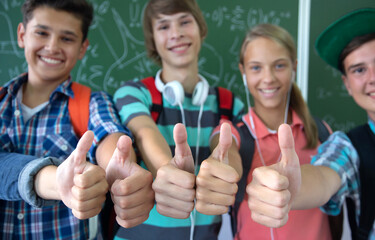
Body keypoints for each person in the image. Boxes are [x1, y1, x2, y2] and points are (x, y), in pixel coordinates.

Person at [0, 0, 153, 239]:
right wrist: (52, 179)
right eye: (42, 33)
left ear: (83, 48)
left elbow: (108, 134)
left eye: (67, 38)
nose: (52, 47)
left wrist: (121, 169)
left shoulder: (92, 102)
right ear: (22, 35)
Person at [113, 0, 244, 239]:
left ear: (201, 29)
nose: (176, 33)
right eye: (163, 26)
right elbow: (144, 132)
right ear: (153, 40)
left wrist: (227, 170)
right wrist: (167, 171)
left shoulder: (229, 103)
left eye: (185, 21)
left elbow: (229, 146)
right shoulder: (134, 93)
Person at [246, 8, 375, 240]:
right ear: (347, 84)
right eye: (359, 69)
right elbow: (325, 176)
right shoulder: (349, 148)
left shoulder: (319, 129)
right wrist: (291, 187)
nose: (373, 77)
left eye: (279, 65)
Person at [230, 23, 333, 240]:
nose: (268, 78)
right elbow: (223, 154)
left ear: (294, 67)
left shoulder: (321, 132)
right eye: (256, 67)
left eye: (279, 66)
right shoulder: (234, 135)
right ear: (243, 72)